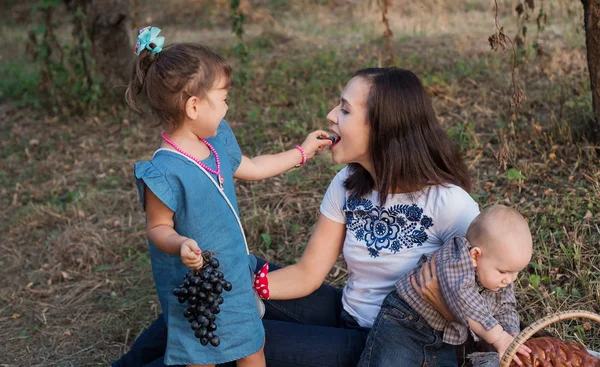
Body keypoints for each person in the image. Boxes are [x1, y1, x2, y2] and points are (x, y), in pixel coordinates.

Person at [114, 67, 481, 367]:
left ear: (384, 127)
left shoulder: (451, 205)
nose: (331, 116)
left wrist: (522, 343)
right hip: (344, 313)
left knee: (236, 340)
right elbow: (308, 274)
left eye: (346, 110)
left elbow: (489, 291)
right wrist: (242, 290)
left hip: (387, 343)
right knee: (216, 282)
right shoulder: (347, 184)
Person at [126, 26, 332, 367]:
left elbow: (251, 166)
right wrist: (179, 244)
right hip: (199, 287)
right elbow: (157, 227)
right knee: (200, 354)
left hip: (235, 274)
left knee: (252, 345)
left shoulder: (215, 142)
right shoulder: (164, 171)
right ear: (194, 106)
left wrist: (302, 152)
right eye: (222, 99)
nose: (226, 107)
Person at [357, 205, 533, 367]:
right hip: (405, 324)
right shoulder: (456, 259)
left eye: (516, 273)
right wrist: (499, 337)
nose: (509, 280)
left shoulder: (499, 277)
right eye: (503, 272)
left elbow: (506, 308)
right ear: (475, 256)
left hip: (442, 338)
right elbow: (464, 300)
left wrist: (511, 337)